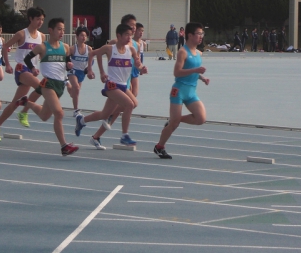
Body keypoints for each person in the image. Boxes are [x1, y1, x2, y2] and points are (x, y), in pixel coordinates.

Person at [75, 23, 147, 148]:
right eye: (127, 35)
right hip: (112, 85)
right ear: (118, 36)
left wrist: (141, 68)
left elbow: (137, 64)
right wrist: (96, 70)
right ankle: (125, 135)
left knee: (105, 114)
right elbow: (93, 53)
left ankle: (81, 120)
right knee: (129, 104)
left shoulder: (131, 50)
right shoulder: (110, 48)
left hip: (123, 86)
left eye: (130, 35)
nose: (129, 38)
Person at [21, 17, 79, 156]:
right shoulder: (42, 47)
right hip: (48, 84)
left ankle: (26, 103)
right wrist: (33, 69)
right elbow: (27, 58)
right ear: (50, 30)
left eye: (63, 30)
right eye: (59, 29)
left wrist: (69, 77)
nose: (62, 32)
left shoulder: (65, 47)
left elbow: (66, 64)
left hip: (60, 85)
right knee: (59, 113)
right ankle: (64, 146)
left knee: (44, 115)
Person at [154, 22, 209, 159]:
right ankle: (159, 146)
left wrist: (201, 77)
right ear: (190, 35)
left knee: (201, 118)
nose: (201, 36)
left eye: (202, 34)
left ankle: (174, 119)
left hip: (191, 91)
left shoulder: (198, 52)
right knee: (174, 124)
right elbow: (177, 72)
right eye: (199, 34)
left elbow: (193, 71)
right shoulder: (182, 52)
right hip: (179, 91)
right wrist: (196, 70)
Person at [0, 7, 45, 139]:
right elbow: (5, 46)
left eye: (42, 20)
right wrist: (7, 64)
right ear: (30, 19)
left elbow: (41, 54)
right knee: (41, 86)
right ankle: (24, 111)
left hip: (31, 70)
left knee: (15, 102)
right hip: (21, 69)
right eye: (38, 19)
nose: (40, 22)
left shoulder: (41, 36)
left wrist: (39, 66)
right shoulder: (21, 34)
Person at [67, 26, 94, 117]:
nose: (83, 37)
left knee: (74, 93)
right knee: (77, 89)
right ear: (77, 37)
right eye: (82, 35)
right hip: (73, 71)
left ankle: (67, 85)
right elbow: (66, 59)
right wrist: (68, 64)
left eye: (85, 36)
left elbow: (91, 61)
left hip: (82, 72)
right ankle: (76, 110)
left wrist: (89, 69)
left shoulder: (89, 49)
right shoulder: (72, 48)